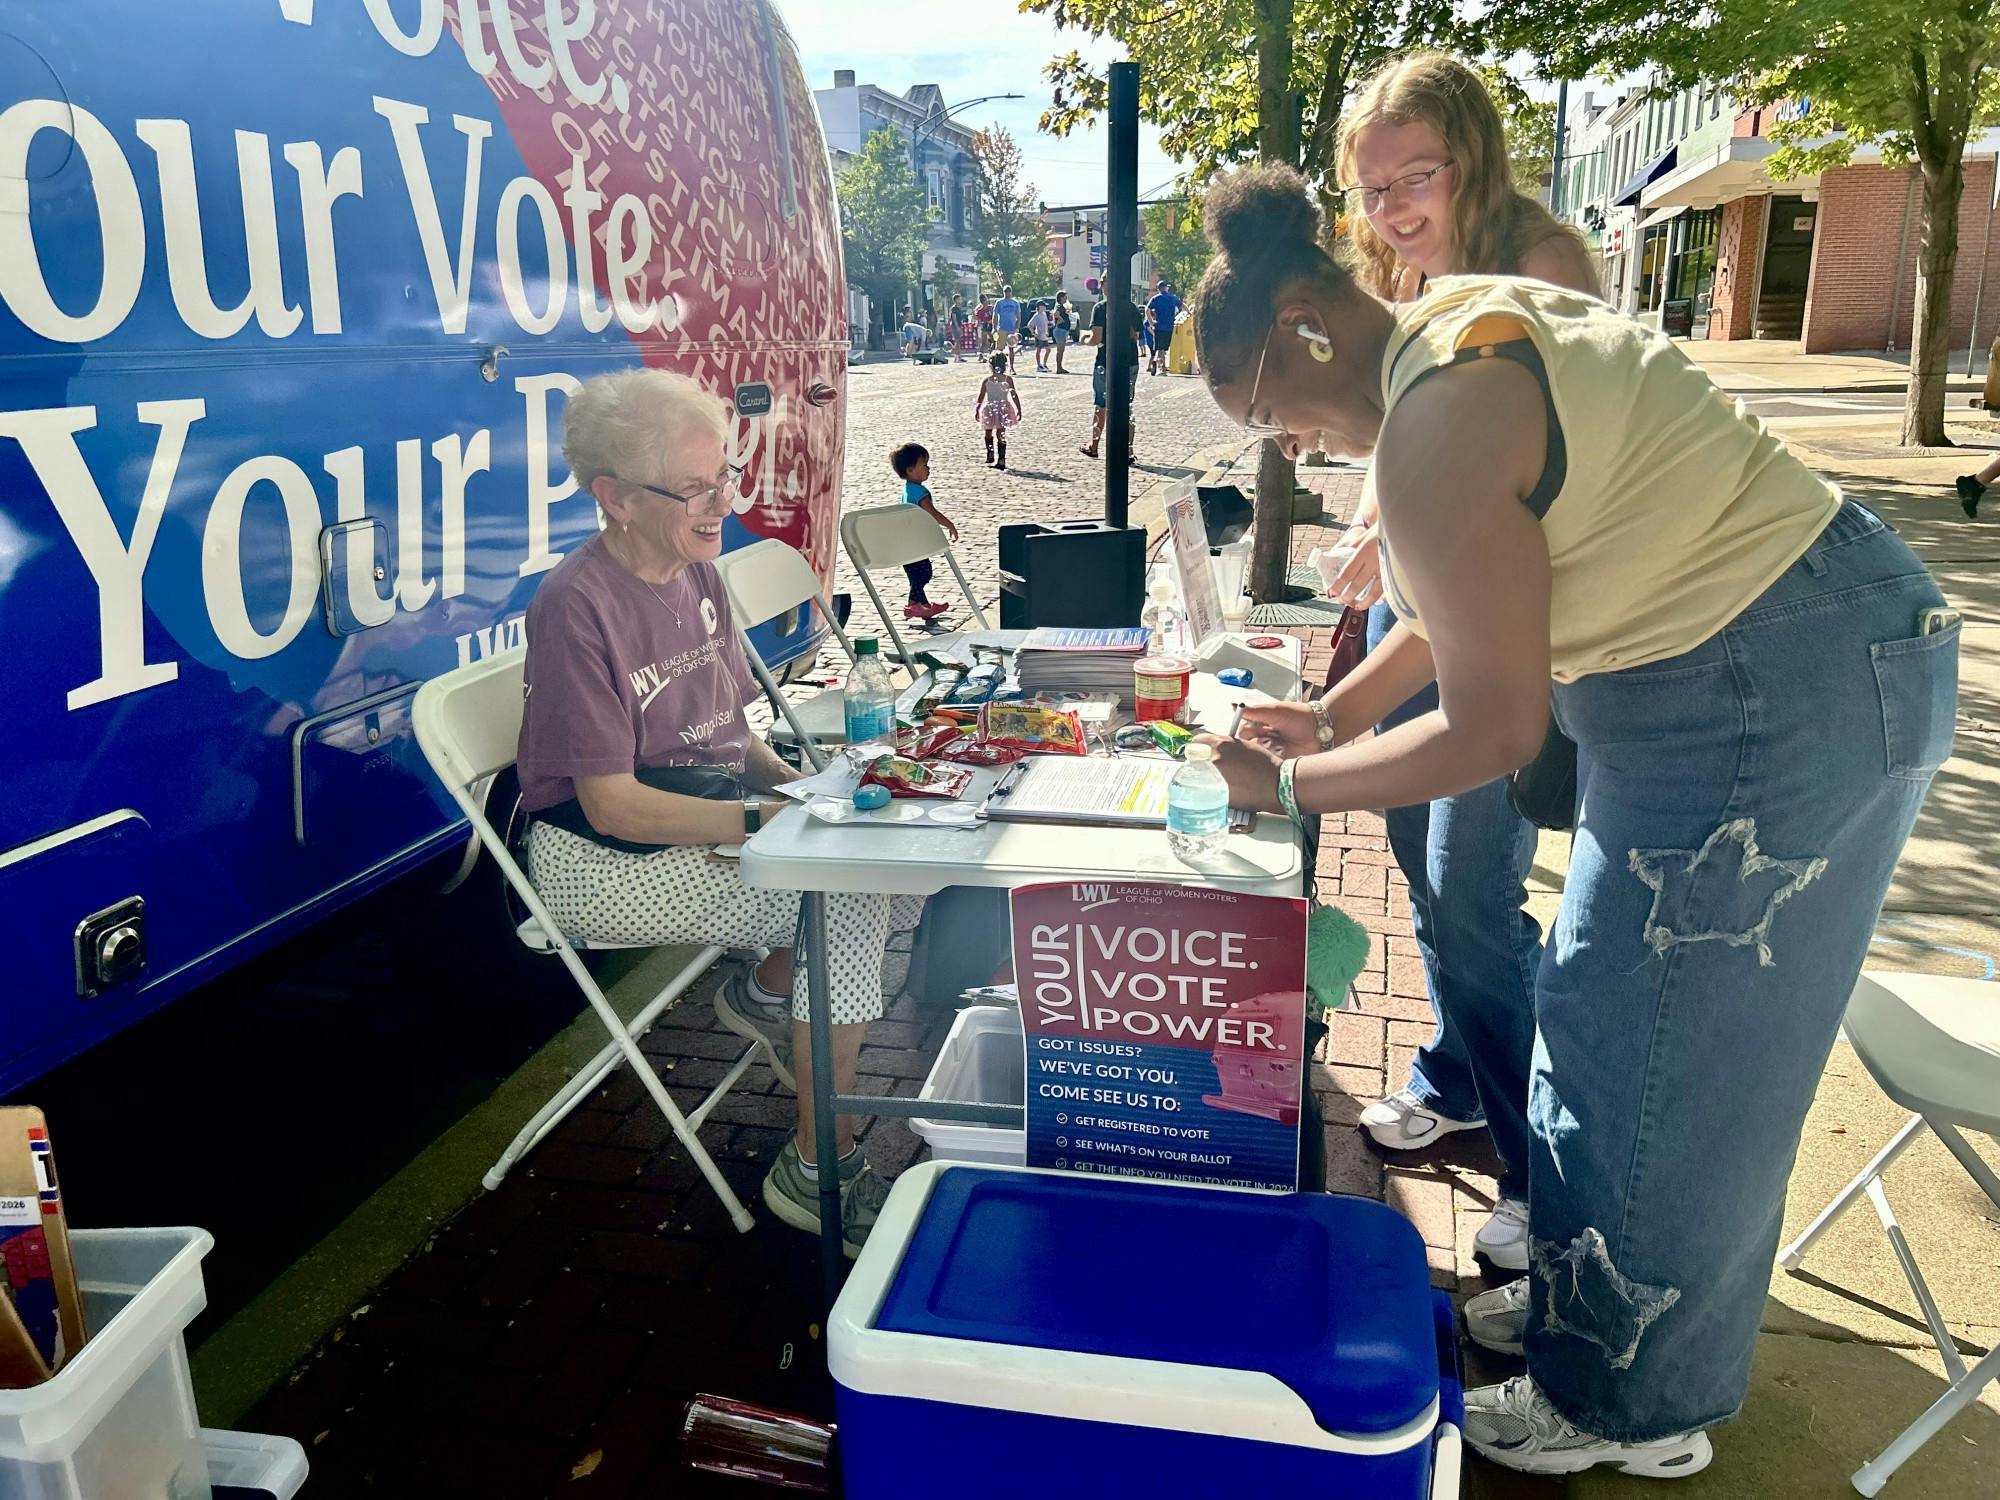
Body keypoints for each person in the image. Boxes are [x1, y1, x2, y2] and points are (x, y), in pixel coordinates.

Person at [1191, 162, 1955, 1478]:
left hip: (1770, 684)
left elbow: (1496, 730)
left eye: (1271, 411)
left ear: (1304, 330)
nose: (1293, 448)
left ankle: (1630, 1408)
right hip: (1770, 662)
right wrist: (1327, 720)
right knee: (1610, 1029)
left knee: (1658, 1060)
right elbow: (1459, 603)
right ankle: (1592, 1317)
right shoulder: (1455, 338)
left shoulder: (1436, 422)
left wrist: (1297, 788)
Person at [517, 368, 929, 1255]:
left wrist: (796, 791)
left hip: (695, 820)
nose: (722, 504)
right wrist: (766, 826)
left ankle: (765, 992)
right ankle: (819, 1168)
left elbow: (727, 735)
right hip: (600, 863)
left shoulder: (697, 572)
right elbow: (615, 807)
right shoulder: (575, 605)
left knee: (854, 869)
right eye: (696, 488)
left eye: (726, 478)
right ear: (615, 499)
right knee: (846, 896)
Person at [1327, 53, 1603, 1276]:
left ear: (1471, 160)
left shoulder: (1539, 265)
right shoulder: (1421, 279)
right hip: (1430, 593)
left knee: (1470, 886)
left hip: (1501, 614)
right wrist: (1371, 528)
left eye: (1414, 177)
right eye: (1371, 186)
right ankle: (1457, 1070)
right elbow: (1417, 449)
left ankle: (1542, 1177)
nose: (1390, 209)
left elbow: (1518, 470)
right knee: (1415, 858)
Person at [888, 441, 959, 618]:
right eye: (925, 465)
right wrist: (948, 524)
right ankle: (913, 605)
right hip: (914, 543)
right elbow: (931, 512)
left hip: (905, 542)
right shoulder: (920, 492)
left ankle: (923, 606)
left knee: (916, 573)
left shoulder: (907, 490)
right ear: (911, 470)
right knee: (923, 573)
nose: (928, 469)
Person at [1079, 291, 1140, 462]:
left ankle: (1094, 446)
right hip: (1130, 360)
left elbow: (1096, 338)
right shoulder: (1132, 308)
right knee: (1127, 405)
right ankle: (1128, 450)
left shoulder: (1100, 308)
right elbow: (1135, 336)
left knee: (1101, 404)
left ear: (1104, 287)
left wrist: (1084, 339)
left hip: (1106, 361)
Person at [972, 353, 1023, 470]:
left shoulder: (987, 380)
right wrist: (1018, 409)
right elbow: (1014, 395)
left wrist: (977, 409)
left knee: (988, 432)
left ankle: (991, 454)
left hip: (990, 407)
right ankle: (1001, 458)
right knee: (1001, 433)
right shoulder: (1007, 379)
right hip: (1003, 408)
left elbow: (981, 397)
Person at [1146, 280, 1182, 375]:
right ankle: (1161, 367)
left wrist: (1151, 321)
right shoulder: (1172, 298)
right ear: (1166, 288)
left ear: (1158, 289)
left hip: (1158, 326)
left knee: (1159, 348)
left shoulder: (1155, 298)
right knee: (1163, 349)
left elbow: (1147, 309)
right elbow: (1183, 306)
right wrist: (1189, 313)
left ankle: (1158, 364)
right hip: (1169, 327)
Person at [994, 284, 1022, 370]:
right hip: (1001, 328)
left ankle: (1012, 367)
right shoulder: (999, 302)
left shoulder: (1015, 303)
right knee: (999, 349)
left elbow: (1018, 316)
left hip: (1011, 329)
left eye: (1008, 291)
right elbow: (995, 315)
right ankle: (997, 366)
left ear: (1011, 292)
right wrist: (994, 327)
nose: (1007, 293)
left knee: (1011, 349)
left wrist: (1017, 328)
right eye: (1005, 291)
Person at [1052, 291, 1074, 373]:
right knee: (1060, 350)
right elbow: (1055, 313)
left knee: (1061, 350)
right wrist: (1061, 320)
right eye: (1065, 297)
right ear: (1061, 298)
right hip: (1060, 330)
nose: (1066, 298)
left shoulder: (1062, 306)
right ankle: (1058, 368)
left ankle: (1060, 367)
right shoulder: (1059, 306)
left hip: (1063, 330)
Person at [1027, 300, 1052, 371]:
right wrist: (1033, 333)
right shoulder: (1036, 315)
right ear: (1039, 307)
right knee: (1038, 350)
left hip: (1044, 336)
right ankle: (1038, 366)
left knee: (1048, 350)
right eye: (1043, 306)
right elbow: (1030, 325)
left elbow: (1046, 323)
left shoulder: (1044, 314)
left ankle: (1044, 364)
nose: (1044, 307)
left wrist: (1047, 332)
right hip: (1039, 336)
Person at [947, 294, 968, 361]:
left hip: (959, 325)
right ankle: (956, 356)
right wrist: (957, 327)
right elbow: (954, 318)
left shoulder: (959, 308)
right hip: (955, 326)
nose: (960, 300)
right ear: (956, 300)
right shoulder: (954, 308)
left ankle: (958, 356)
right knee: (957, 341)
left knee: (958, 342)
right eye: (959, 299)